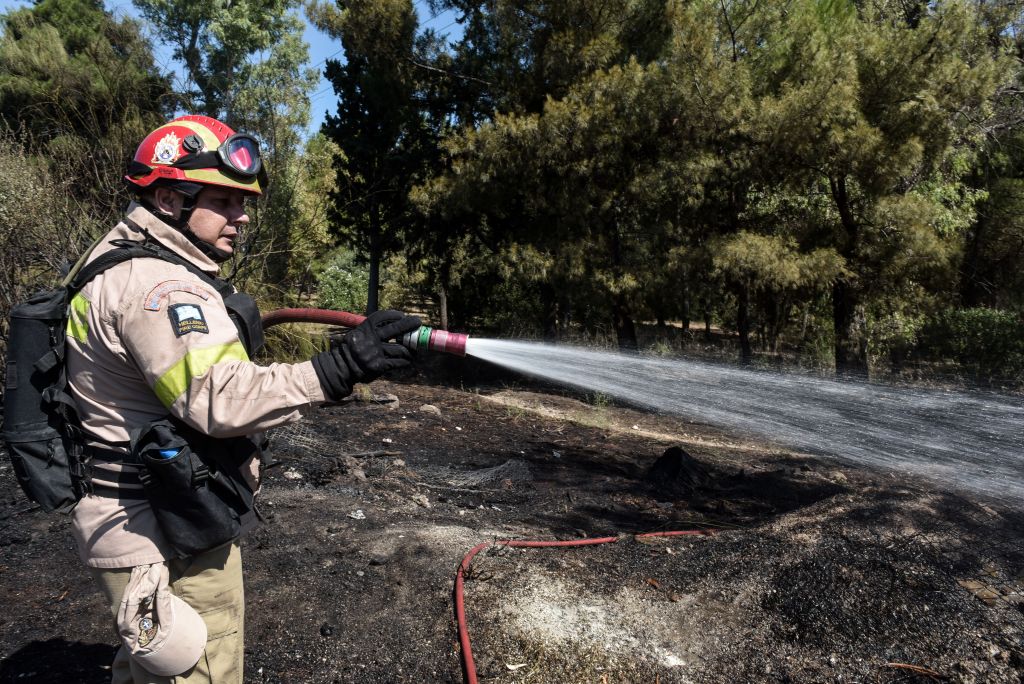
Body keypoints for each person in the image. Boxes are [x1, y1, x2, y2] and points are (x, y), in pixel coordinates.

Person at [65, 114, 421, 683]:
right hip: (166, 525)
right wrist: (339, 368)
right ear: (168, 197)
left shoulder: (111, 260)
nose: (243, 215)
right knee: (202, 667)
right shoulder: (163, 287)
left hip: (124, 514)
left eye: (244, 201)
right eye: (225, 200)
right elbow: (220, 401)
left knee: (150, 665)